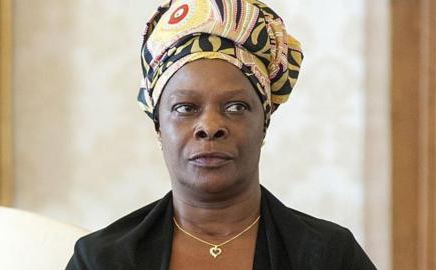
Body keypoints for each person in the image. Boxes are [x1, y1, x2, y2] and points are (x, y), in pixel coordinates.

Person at [66, 0, 377, 269]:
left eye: (236, 106)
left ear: (264, 124)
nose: (210, 126)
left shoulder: (330, 256)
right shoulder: (101, 259)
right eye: (186, 108)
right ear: (158, 126)